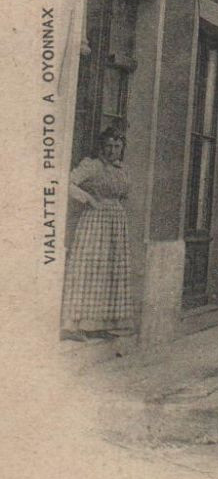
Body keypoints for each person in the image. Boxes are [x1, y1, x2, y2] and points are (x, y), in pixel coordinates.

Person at [62, 127, 136, 339]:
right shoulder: (92, 166)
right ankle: (73, 325)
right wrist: (88, 199)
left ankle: (99, 324)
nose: (113, 151)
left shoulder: (122, 169)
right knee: (89, 269)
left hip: (115, 224)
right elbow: (66, 182)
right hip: (95, 223)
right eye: (109, 146)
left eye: (117, 147)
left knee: (109, 272)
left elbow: (123, 195)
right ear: (102, 147)